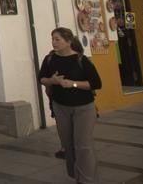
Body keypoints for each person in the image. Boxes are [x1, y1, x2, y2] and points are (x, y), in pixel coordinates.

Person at [38, 27, 101, 184]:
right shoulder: (49, 59)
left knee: (83, 145)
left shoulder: (82, 60)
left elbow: (96, 83)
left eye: (57, 39)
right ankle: (76, 175)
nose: (53, 42)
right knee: (68, 144)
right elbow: (41, 79)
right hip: (61, 107)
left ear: (68, 41)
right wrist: (53, 81)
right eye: (52, 39)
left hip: (84, 108)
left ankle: (87, 180)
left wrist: (72, 84)